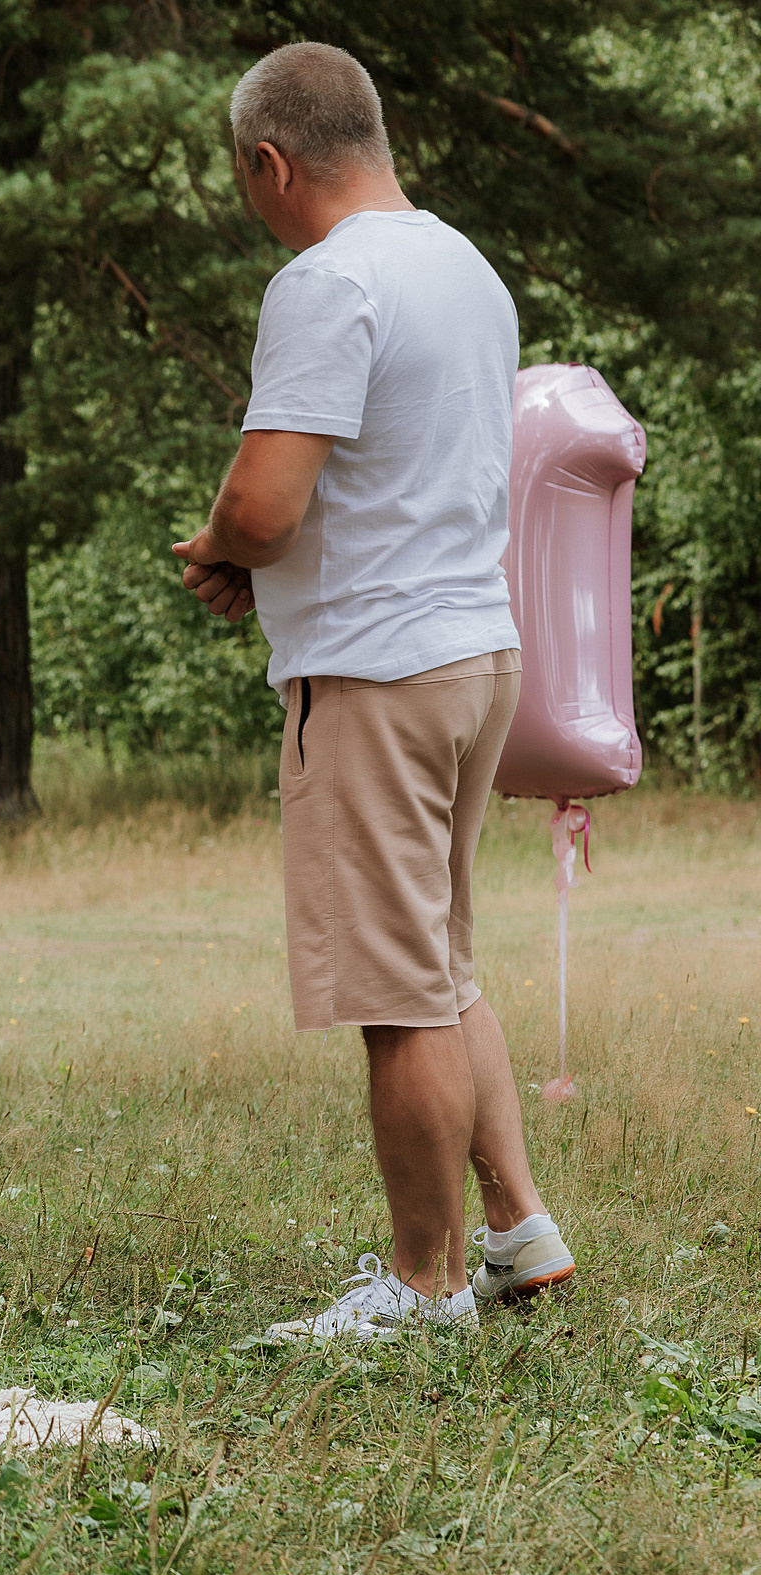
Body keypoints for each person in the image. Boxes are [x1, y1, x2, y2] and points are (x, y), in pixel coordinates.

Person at [174, 43, 573, 1342]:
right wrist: (271, 557)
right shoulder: (464, 267)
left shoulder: (325, 280)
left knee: (395, 994)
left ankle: (425, 1284)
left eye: (247, 180)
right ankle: (517, 1227)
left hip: (378, 672)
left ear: (270, 163)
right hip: (475, 652)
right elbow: (392, 472)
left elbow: (265, 498)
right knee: (443, 962)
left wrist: (226, 545)